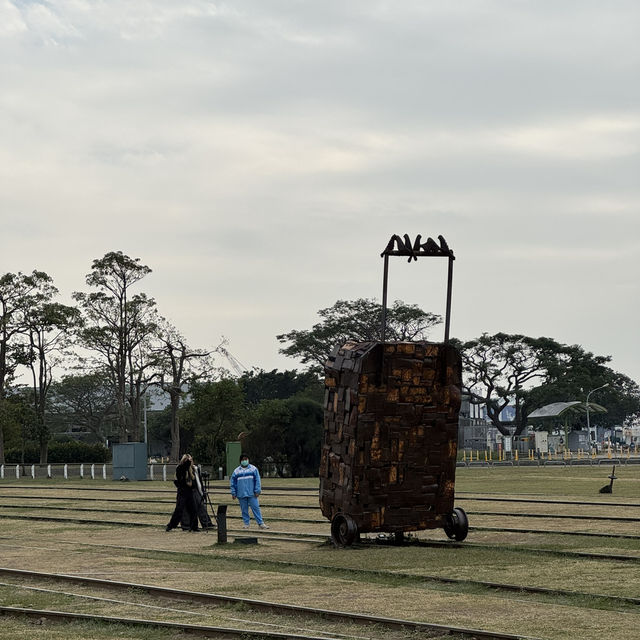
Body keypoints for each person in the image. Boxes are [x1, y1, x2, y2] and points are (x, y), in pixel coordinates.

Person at [230, 454, 268, 529]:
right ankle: (246, 523)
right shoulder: (236, 471)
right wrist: (233, 493)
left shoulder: (253, 469)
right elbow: (233, 483)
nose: (244, 461)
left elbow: (257, 480)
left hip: (252, 493)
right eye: (243, 459)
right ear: (240, 461)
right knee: (244, 510)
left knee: (256, 508)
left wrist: (257, 490)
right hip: (241, 494)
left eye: (246, 459)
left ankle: (260, 523)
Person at [166, 454, 199, 532]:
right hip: (182, 492)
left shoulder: (192, 470)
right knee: (179, 509)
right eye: (187, 460)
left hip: (189, 492)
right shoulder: (180, 468)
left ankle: (194, 526)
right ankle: (171, 525)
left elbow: (194, 481)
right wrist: (188, 461)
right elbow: (180, 478)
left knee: (193, 510)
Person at [181, 460, 216, 530]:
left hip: (195, 490)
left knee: (201, 506)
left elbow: (199, 482)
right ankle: (187, 525)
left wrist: (202, 491)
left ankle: (206, 523)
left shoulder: (195, 469)